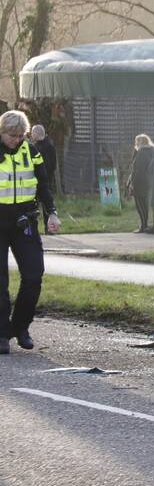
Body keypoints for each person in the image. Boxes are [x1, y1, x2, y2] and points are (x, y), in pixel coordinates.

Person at [0, 110, 60, 355]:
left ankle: (20, 327)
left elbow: (43, 185)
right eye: (11, 136)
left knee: (34, 275)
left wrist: (52, 213)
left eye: (20, 136)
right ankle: (2, 334)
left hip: (24, 221)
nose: (16, 140)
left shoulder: (31, 151)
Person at [127, 134, 154, 233]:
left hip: (139, 182)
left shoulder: (141, 153)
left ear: (141, 143)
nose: (135, 144)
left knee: (140, 205)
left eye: (137, 142)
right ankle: (144, 225)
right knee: (144, 204)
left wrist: (132, 183)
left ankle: (143, 225)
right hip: (147, 181)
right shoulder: (151, 151)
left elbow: (137, 170)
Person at [30, 125, 57, 192]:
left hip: (37, 179)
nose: (31, 135)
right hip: (48, 178)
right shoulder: (51, 146)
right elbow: (53, 164)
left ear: (36, 134)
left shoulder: (34, 148)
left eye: (32, 133)